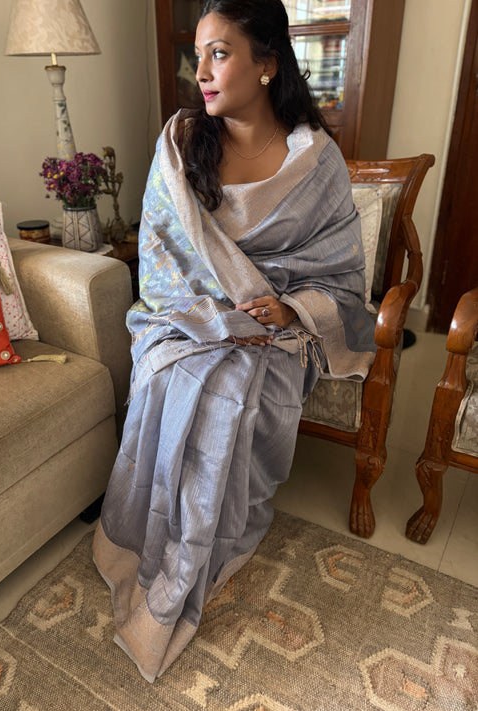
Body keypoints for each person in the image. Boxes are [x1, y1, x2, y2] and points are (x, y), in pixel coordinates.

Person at [93, 0, 375, 682]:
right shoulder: (181, 141)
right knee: (172, 376)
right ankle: (148, 541)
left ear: (267, 63)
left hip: (278, 331)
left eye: (219, 54)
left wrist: (286, 310)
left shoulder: (317, 160)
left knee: (232, 393)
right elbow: (160, 257)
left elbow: (342, 278)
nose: (201, 72)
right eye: (199, 55)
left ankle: (209, 544)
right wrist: (217, 318)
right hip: (185, 319)